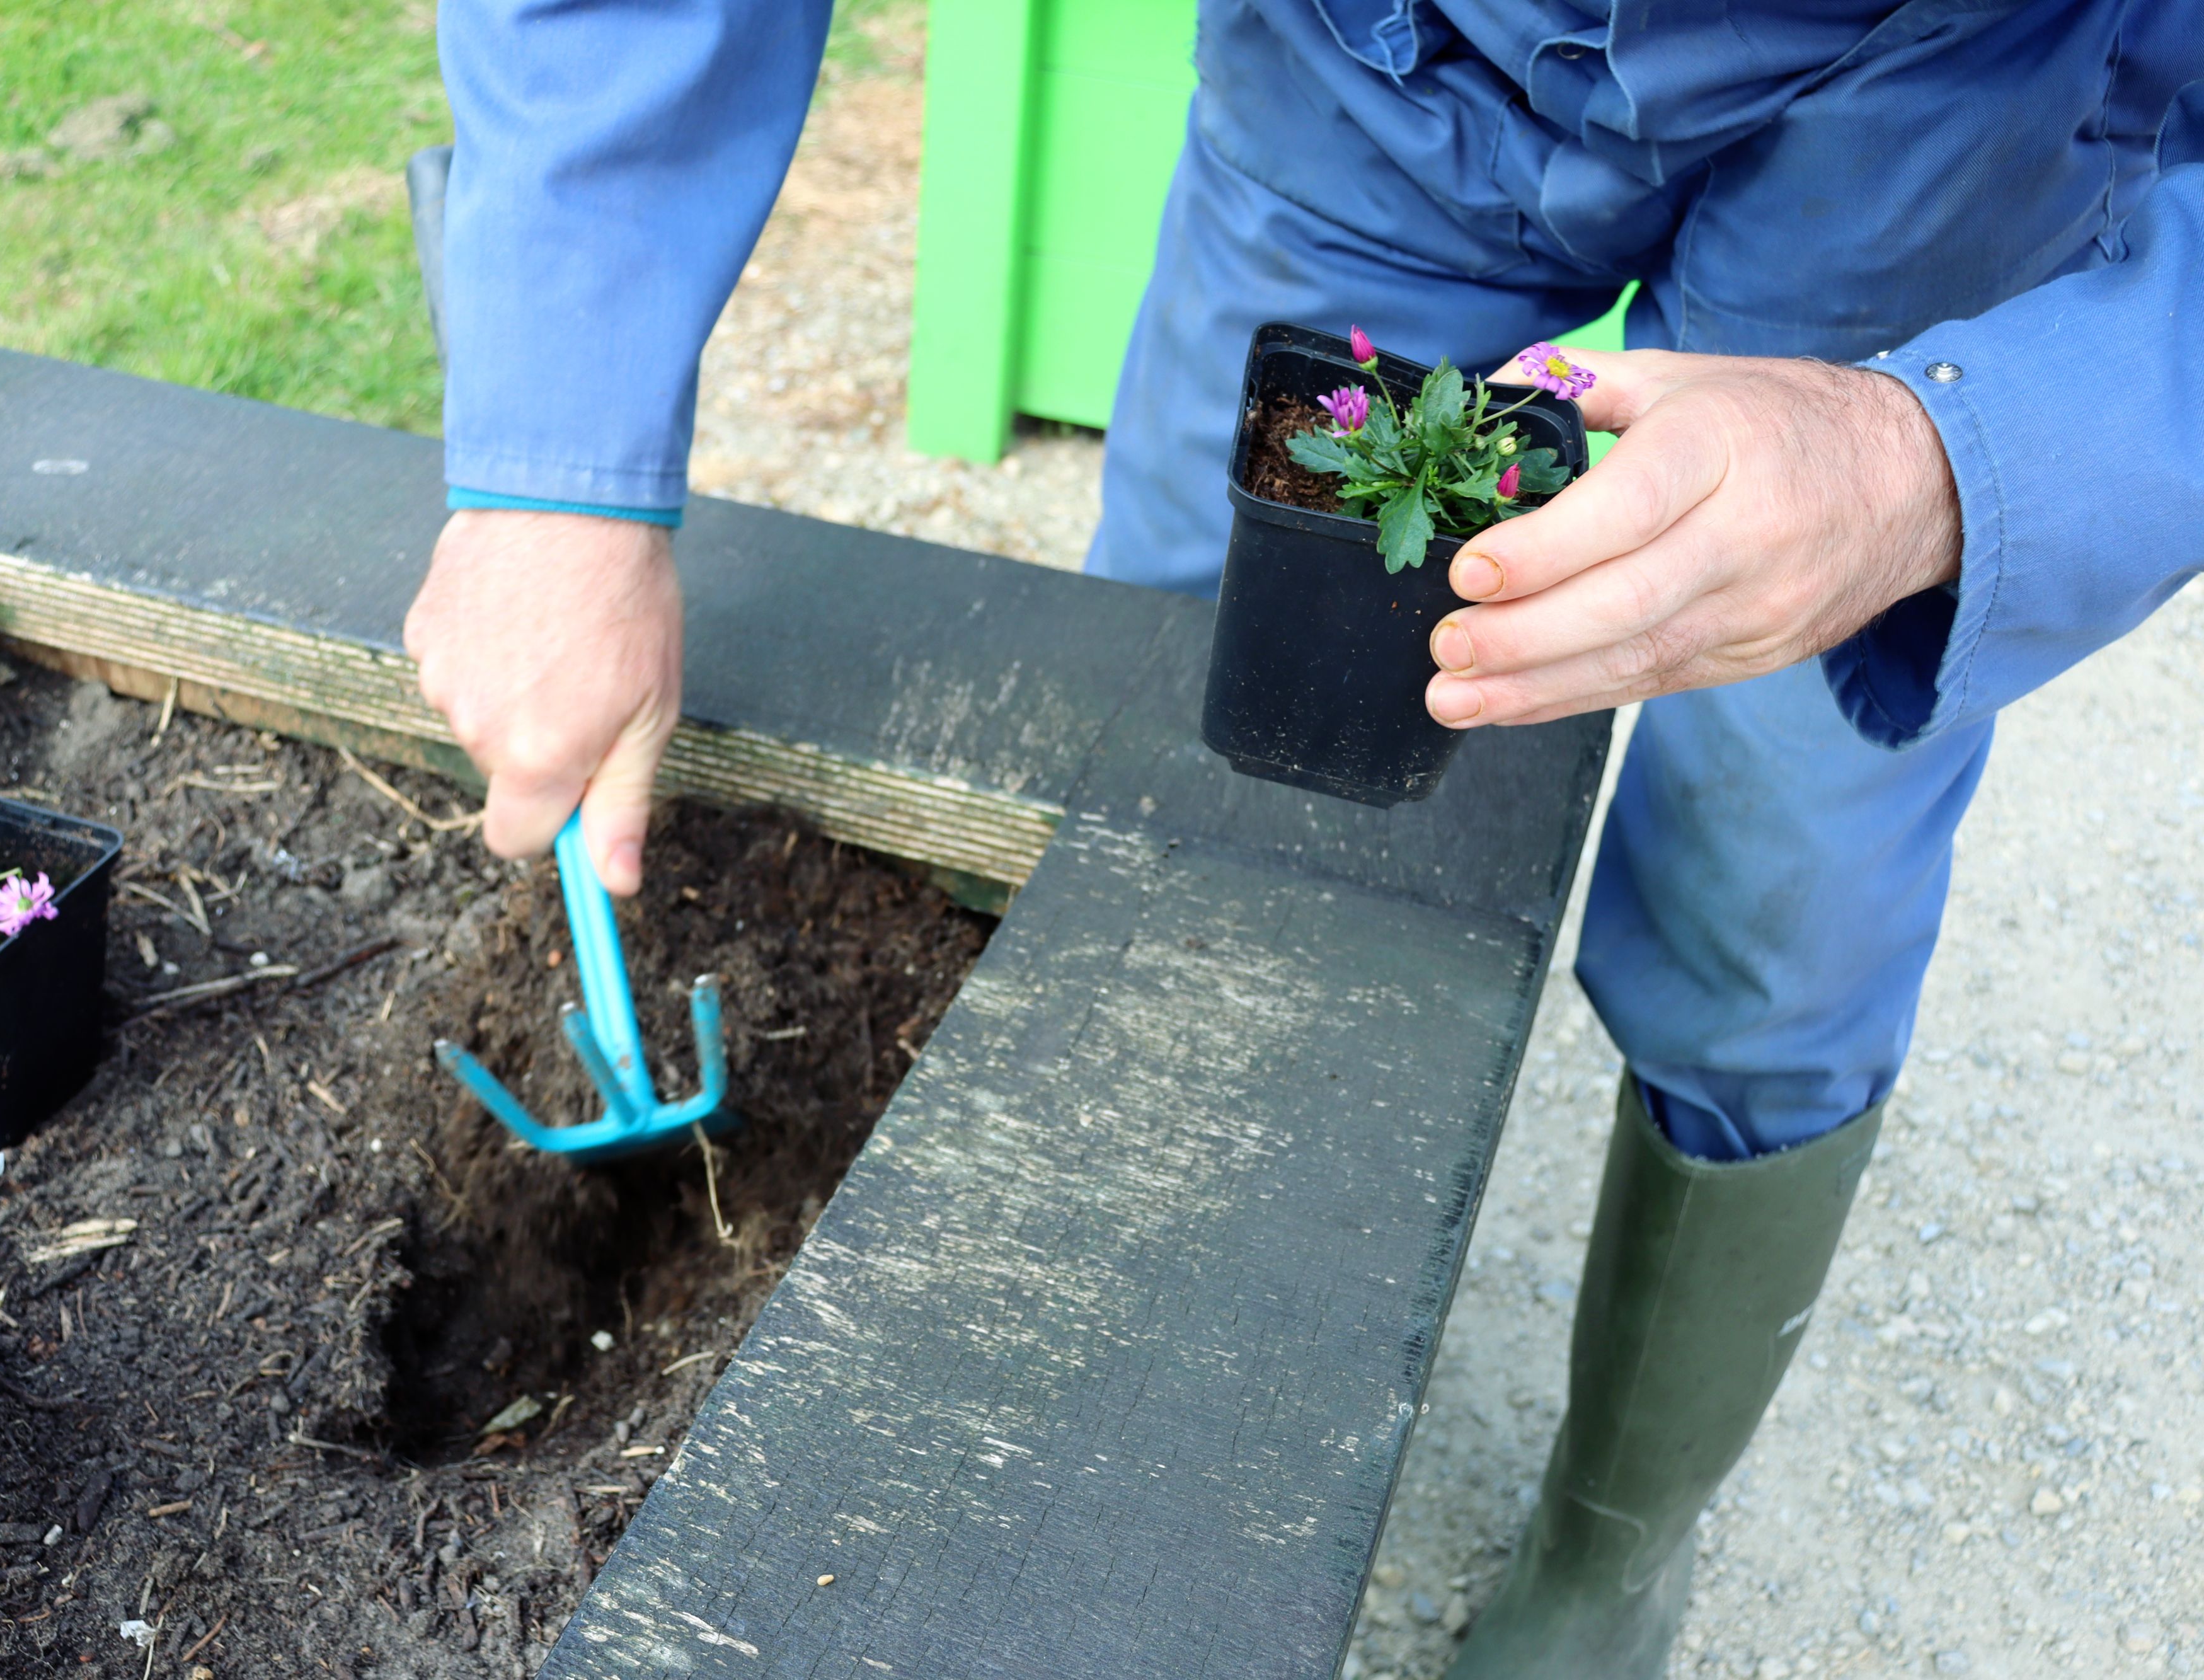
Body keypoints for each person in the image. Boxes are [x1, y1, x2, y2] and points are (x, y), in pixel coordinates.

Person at [405, 4, 2204, 1672]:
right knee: (1186, 733)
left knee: (1780, 876)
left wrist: (1936, 463)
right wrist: (562, 438)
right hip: (1396, 65)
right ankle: (1116, 1371)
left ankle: (1606, 1554)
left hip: (1950, 103)